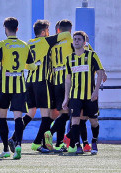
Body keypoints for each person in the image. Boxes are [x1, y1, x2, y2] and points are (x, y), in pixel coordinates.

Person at [8, 19, 71, 153]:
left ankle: (14, 138)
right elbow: (65, 34)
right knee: (46, 117)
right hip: (42, 82)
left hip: (29, 81)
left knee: (30, 113)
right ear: (43, 32)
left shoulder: (29, 43)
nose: (49, 33)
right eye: (47, 31)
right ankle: (40, 144)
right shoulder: (46, 41)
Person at [0, 17, 36, 159]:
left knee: (2, 118)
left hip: (4, 86)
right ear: (17, 29)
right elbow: (32, 67)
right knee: (18, 117)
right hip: (19, 86)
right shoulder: (24, 45)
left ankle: (5, 149)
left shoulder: (1, 44)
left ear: (5, 29)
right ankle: (18, 146)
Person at [62, 31, 104, 155]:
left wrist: (96, 92)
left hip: (90, 96)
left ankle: (94, 142)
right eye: (74, 39)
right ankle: (77, 145)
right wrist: (66, 98)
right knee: (75, 121)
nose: (76, 41)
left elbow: (100, 72)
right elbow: (68, 79)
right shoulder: (69, 59)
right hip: (75, 96)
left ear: (84, 42)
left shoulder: (92, 55)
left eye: (79, 39)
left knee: (94, 121)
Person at [43, 20, 74, 152]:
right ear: (70, 30)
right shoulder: (72, 42)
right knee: (68, 114)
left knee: (62, 112)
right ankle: (50, 132)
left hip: (56, 81)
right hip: (68, 80)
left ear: (59, 30)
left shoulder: (53, 45)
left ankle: (59, 143)